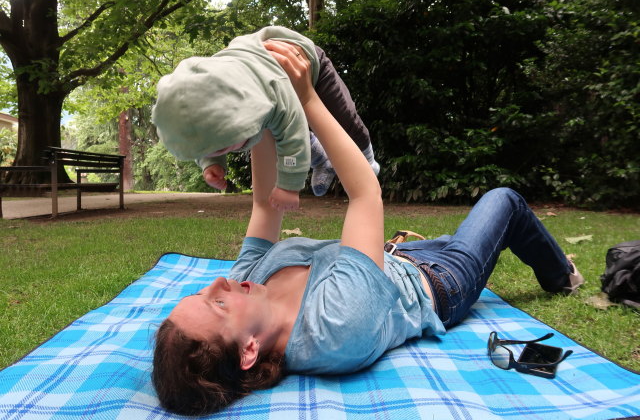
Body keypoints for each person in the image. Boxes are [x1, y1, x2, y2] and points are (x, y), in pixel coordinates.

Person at [151, 41, 584, 415]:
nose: (221, 282)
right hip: (439, 281)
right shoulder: (335, 328)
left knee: (472, 230)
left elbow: (265, 204)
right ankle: (560, 276)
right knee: (503, 202)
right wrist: (307, 99)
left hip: (393, 258)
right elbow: (364, 195)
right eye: (218, 306)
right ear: (249, 351)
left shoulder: (247, 283)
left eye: (202, 292)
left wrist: (258, 112)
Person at [151, 26, 379, 212]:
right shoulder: (215, 103)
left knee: (343, 121)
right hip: (257, 79)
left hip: (309, 65)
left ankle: (367, 162)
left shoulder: (271, 91)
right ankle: (320, 159)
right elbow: (205, 135)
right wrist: (211, 163)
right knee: (275, 131)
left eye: (222, 150)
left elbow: (294, 134)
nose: (224, 151)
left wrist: (288, 186)